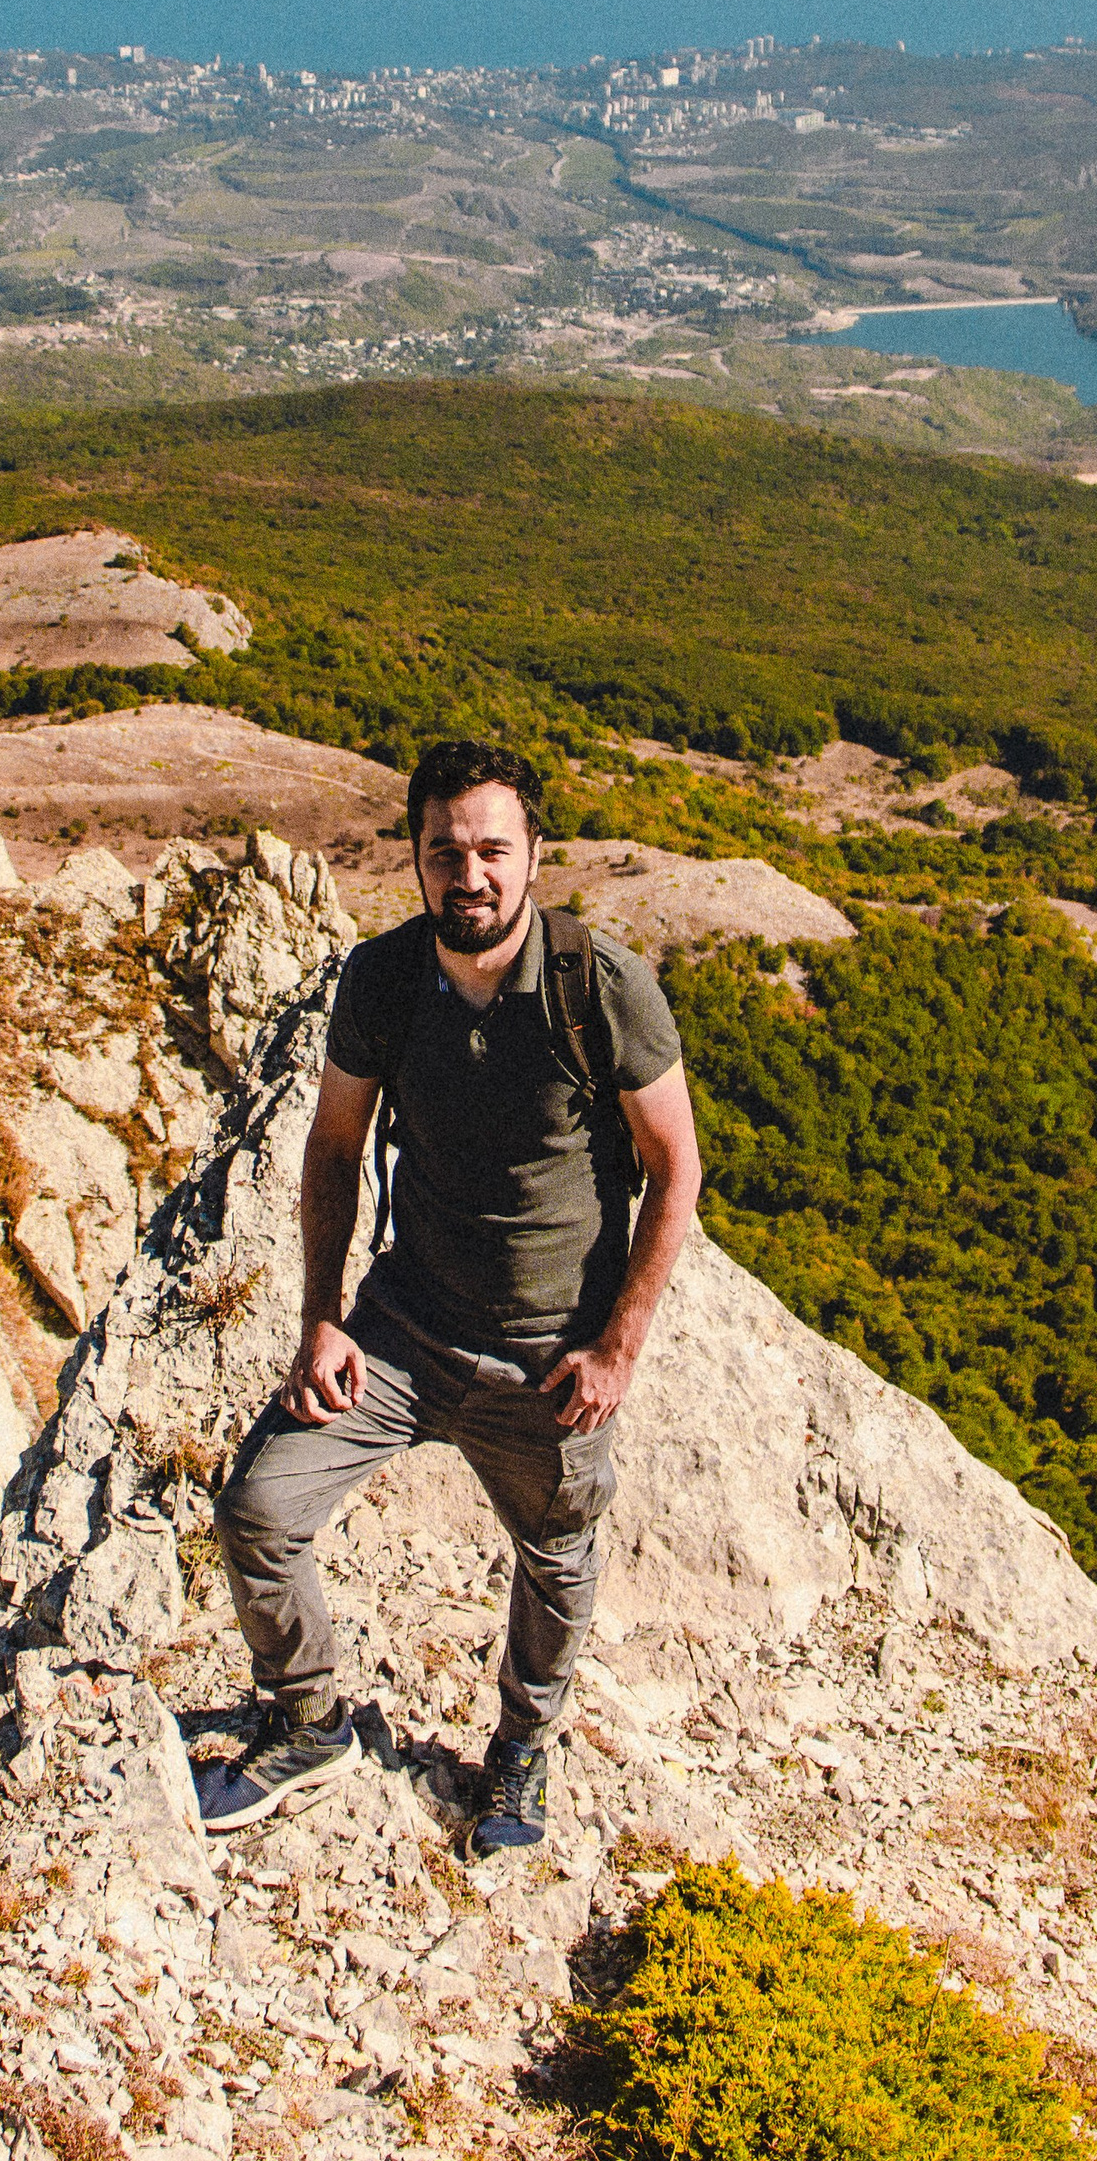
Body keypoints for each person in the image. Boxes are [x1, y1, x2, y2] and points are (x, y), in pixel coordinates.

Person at [195, 737, 701, 1857]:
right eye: (443, 852)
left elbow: (676, 1166)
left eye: (490, 851)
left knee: (557, 1559)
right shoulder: (381, 981)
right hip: (404, 1326)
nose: (467, 875)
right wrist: (321, 1317)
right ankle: (308, 1719)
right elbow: (334, 1146)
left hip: (544, 1356)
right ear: (415, 860)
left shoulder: (599, 987)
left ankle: (521, 1751)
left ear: (533, 857)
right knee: (258, 1512)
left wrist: (617, 1346)